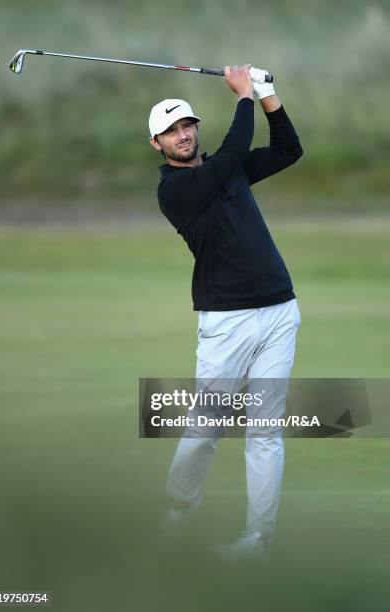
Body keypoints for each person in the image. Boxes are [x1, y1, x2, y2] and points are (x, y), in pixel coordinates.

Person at [148, 64, 303, 559]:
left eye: (187, 125)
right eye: (171, 131)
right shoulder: (173, 192)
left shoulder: (226, 166)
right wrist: (243, 96)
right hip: (226, 320)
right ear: (157, 144)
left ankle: (258, 539)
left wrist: (269, 96)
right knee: (205, 427)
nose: (182, 135)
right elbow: (235, 151)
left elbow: (287, 151)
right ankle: (180, 508)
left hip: (280, 309)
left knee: (265, 431)